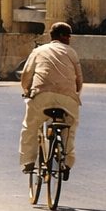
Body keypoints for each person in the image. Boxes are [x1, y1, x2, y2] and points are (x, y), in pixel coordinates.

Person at [19, 22, 83, 178]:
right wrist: (75, 96)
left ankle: (28, 162)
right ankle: (66, 163)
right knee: (70, 128)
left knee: (30, 127)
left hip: (41, 96)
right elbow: (79, 81)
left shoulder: (38, 51)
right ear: (67, 37)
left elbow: (26, 76)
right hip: (68, 99)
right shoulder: (71, 53)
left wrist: (27, 91)